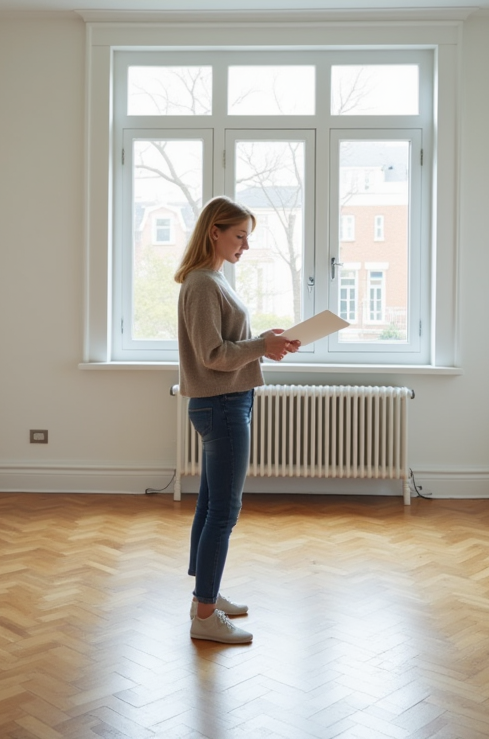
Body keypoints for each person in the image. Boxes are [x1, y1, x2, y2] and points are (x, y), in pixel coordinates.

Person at [175, 196, 299, 644]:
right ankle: (205, 616)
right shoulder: (204, 283)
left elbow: (227, 344)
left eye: (248, 237)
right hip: (222, 404)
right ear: (215, 231)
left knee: (211, 507)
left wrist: (263, 341)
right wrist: (261, 347)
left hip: (226, 402)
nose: (245, 246)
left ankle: (203, 597)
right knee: (224, 512)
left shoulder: (212, 280)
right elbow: (213, 355)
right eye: (240, 235)